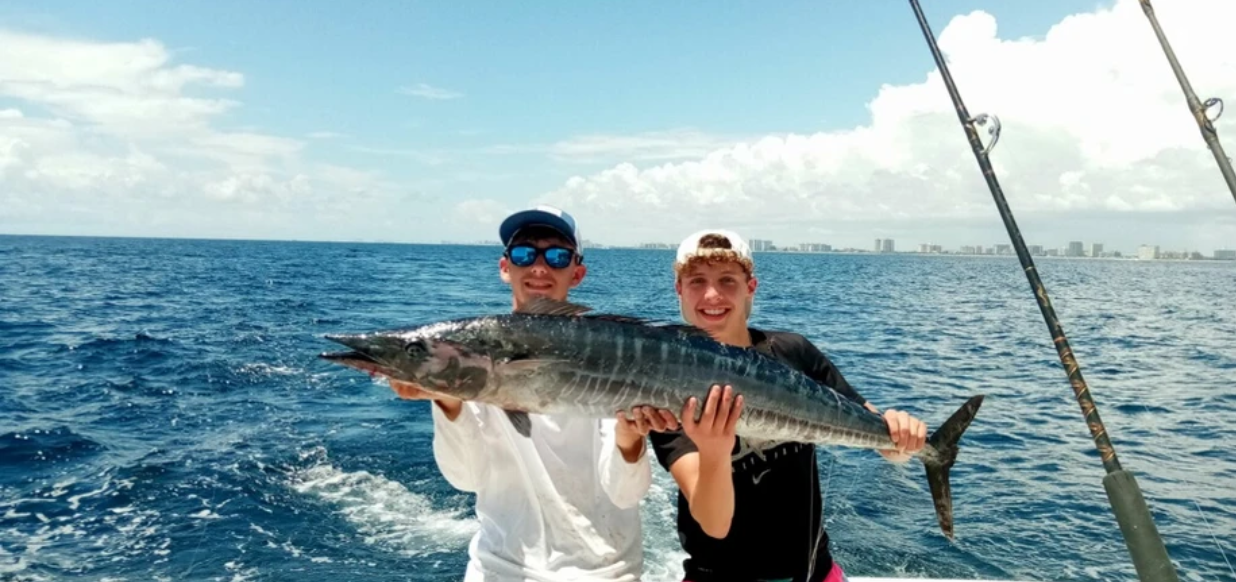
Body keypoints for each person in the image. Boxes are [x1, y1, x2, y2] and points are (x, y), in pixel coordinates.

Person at [380, 205, 679, 582]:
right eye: (524, 254)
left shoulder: (609, 354)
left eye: (557, 256)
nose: (539, 267)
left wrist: (630, 438)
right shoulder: (475, 354)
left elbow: (624, 494)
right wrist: (446, 398)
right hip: (499, 569)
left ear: (578, 272)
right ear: (505, 267)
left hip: (604, 573)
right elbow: (466, 477)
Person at [648, 229, 929, 582]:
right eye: (697, 281)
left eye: (728, 281)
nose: (712, 295)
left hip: (815, 571)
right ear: (679, 289)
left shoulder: (793, 351)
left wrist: (902, 438)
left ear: (751, 287)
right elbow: (714, 523)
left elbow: (877, 434)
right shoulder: (662, 384)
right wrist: (715, 451)